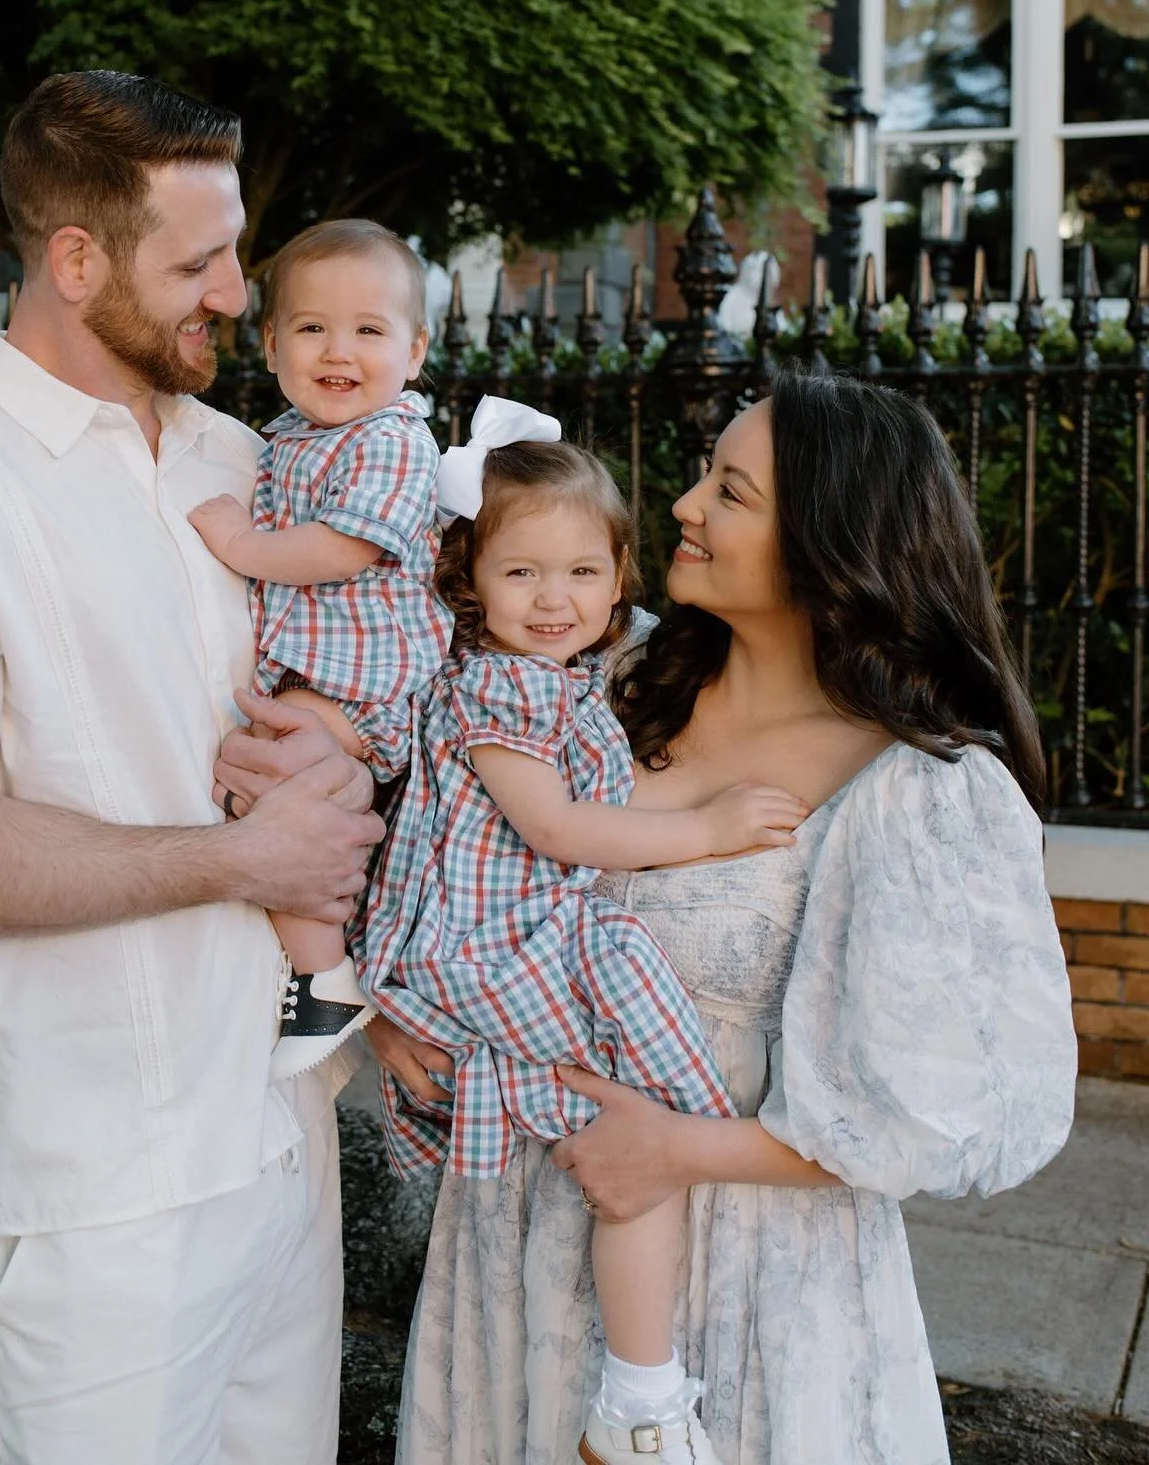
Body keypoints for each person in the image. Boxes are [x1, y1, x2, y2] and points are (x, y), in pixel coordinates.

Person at [0, 70, 384, 1465]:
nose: (240, 297)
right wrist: (238, 859)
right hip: (95, 1191)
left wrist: (352, 760)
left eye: (235, 251)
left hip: (285, 1137)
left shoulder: (256, 464)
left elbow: (361, 705)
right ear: (74, 260)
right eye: (198, 262)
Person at [379, 369, 1078, 1465]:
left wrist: (670, 1148)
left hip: (749, 1278)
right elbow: (426, 842)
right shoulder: (594, 679)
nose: (683, 505)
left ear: (830, 538)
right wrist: (388, 1012)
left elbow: (941, 1115)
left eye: (731, 491)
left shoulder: (921, 786)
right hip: (515, 1233)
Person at [357, 396, 809, 1465]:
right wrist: (704, 830)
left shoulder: (578, 675)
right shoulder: (496, 690)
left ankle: (640, 1389)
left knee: (633, 1122)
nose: (555, 600)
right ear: (469, 581)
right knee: (637, 1111)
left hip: (516, 938)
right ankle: (642, 1398)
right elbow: (558, 827)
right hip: (488, 948)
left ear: (619, 581)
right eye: (521, 575)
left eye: (582, 574)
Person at [190, 218, 454, 1079]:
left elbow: (346, 546)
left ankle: (322, 974)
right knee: (267, 794)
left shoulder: (393, 439)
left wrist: (240, 544)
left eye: (369, 331)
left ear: (415, 351)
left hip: (367, 689)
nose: (339, 351)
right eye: (312, 328)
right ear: (269, 344)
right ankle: (330, 962)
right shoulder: (291, 438)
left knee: (269, 790)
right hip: (323, 683)